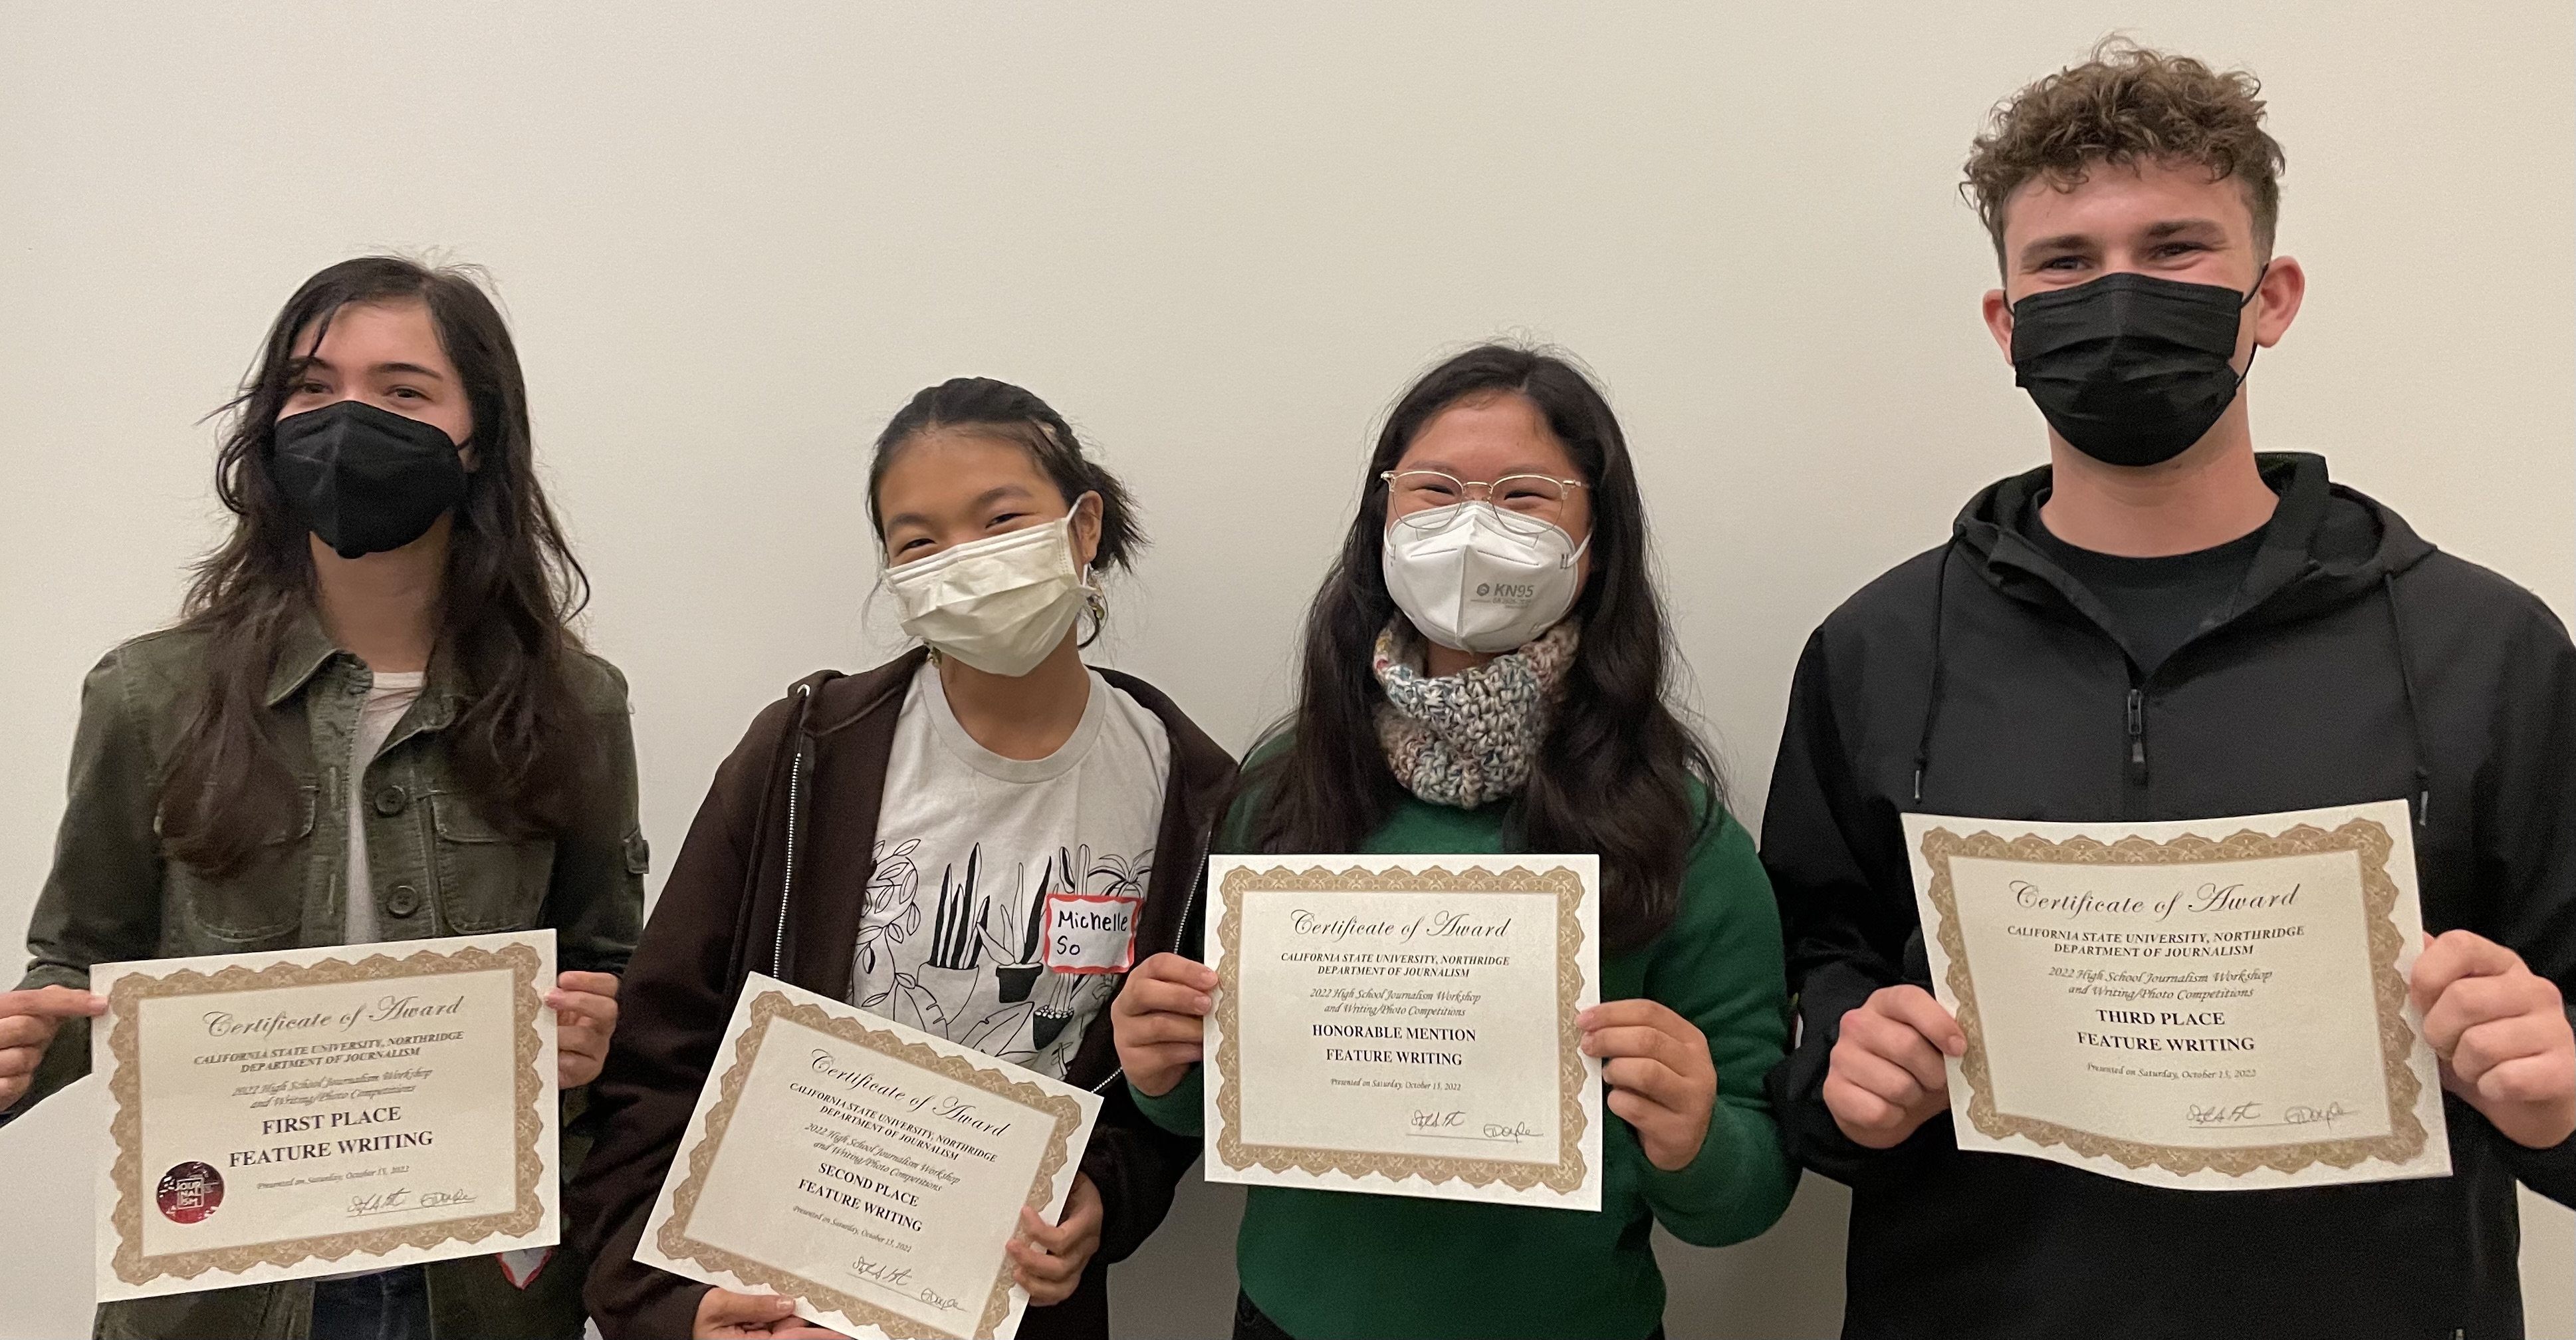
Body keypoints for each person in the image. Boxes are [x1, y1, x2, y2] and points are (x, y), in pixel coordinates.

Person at [1760, 41, 2576, 1340]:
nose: (2121, 293)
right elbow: (1813, 966)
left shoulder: (2488, 650)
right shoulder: (1877, 648)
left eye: (2178, 248)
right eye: (2066, 264)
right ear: (2004, 318)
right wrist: (1842, 1065)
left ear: (2274, 296)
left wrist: (2561, 1095)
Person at [0, 255, 644, 1339]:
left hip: (480, 1285)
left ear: (478, 435)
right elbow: (81, 963)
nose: (349, 421)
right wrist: (28, 1047)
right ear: (269, 424)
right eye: (312, 387)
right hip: (223, 1289)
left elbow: (612, 966)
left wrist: (594, 1034)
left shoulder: (576, 703)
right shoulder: (150, 696)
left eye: (402, 392)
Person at [1112, 344, 1798, 1340]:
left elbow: (1749, 1195)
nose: (1471, 527)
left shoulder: (1674, 829)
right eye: (1433, 491)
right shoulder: (1287, 787)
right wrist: (1161, 1066)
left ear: (1596, 542)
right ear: (1380, 522)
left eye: (1525, 497)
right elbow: (1216, 1111)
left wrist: (1697, 1135)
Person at [572, 377, 1236, 1340]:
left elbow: (1158, 1091)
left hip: (1004, 1308)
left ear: (1083, 527)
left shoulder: (1192, 792)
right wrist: (668, 1304)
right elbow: (662, 1043)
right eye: (919, 541)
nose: (964, 562)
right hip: (779, 1300)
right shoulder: (806, 756)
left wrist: (1101, 1198)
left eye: (1001, 518)